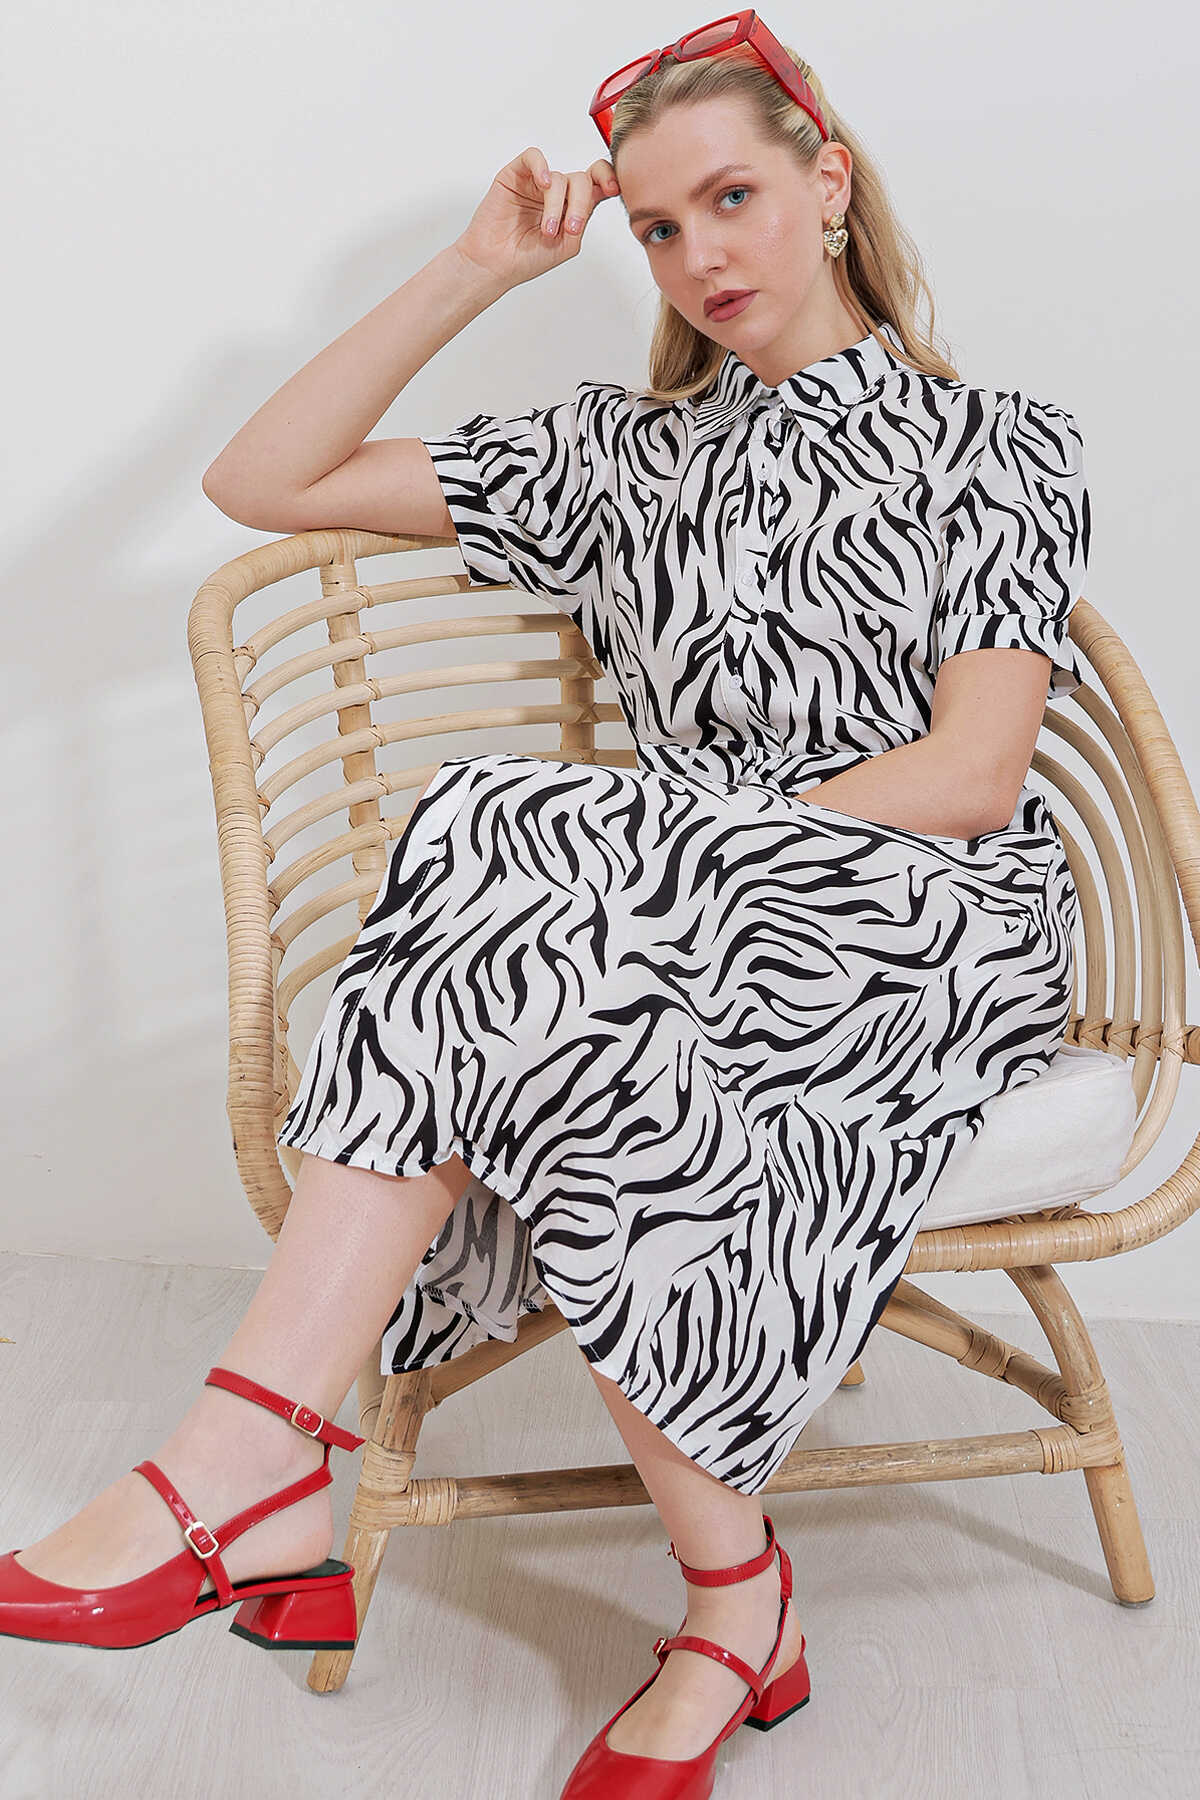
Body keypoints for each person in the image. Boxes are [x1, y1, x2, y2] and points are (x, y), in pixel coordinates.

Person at [1, 16, 1090, 1795]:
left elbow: (973, 774)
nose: (699, 254)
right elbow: (261, 481)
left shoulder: (995, 444)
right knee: (565, 1005)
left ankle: (253, 1464)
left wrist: (673, 841)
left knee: (501, 826)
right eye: (657, 227)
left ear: (827, 184)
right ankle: (729, 1600)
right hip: (666, 925)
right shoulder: (621, 459)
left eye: (730, 198)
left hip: (928, 921)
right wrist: (479, 267)